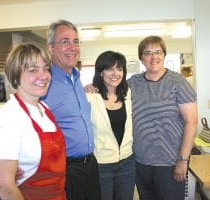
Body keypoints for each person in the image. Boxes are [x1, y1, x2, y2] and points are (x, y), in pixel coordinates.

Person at [0, 43, 66, 200]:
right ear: (15, 76)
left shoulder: (44, 108)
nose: (43, 75)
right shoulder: (8, 118)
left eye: (46, 68)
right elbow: (4, 185)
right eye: (33, 70)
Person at [128, 35, 197, 200]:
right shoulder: (133, 83)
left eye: (158, 52)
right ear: (141, 58)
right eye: (148, 53)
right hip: (141, 162)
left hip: (170, 162)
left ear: (164, 55)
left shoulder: (177, 82)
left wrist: (183, 160)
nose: (154, 57)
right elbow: (110, 91)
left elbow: (192, 122)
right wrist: (93, 86)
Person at [43, 19, 101, 200]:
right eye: (65, 41)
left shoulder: (76, 79)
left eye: (76, 41)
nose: (73, 47)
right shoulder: (45, 83)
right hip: (66, 170)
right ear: (51, 48)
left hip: (90, 165)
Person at [86, 51, 135, 200]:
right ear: (101, 72)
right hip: (102, 165)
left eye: (119, 69)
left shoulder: (127, 93)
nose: (115, 73)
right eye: (109, 69)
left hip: (127, 162)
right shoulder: (89, 97)